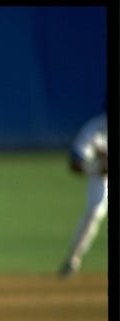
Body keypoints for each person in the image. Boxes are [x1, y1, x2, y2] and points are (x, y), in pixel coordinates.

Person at [58, 112, 108, 278]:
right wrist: (96, 168)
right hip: (103, 178)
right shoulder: (95, 128)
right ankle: (73, 260)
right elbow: (75, 163)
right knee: (94, 211)